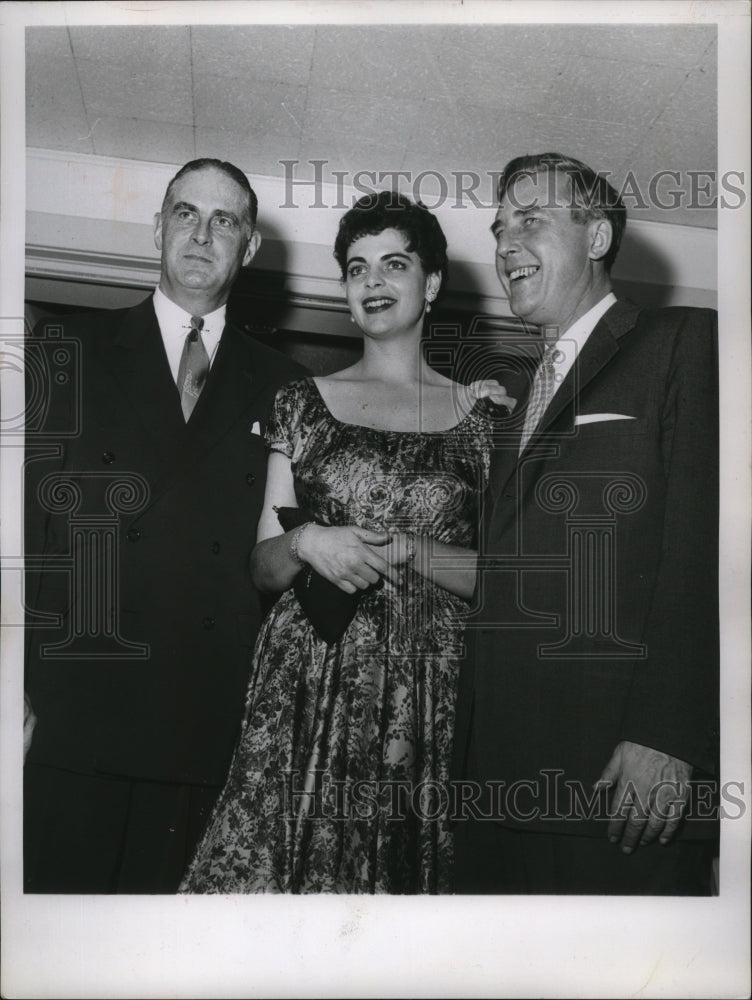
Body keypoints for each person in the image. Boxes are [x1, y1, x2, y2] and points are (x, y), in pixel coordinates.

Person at [180, 192, 515, 894]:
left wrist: (404, 547)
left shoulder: (487, 418)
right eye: (357, 267)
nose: (372, 282)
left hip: (433, 686)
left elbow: (505, 577)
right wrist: (307, 546)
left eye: (393, 264)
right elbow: (262, 566)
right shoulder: (300, 402)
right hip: (310, 678)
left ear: (430, 285)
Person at [23, 158, 307, 893]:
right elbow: (23, 528)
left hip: (203, 713)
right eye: (185, 213)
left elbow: (279, 557)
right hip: (77, 702)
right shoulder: (68, 352)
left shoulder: (286, 385)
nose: (202, 234)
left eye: (226, 221)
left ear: (250, 247)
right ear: (157, 228)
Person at [452, 152, 719, 894]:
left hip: (620, 782)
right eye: (500, 228)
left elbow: (706, 554)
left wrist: (668, 736)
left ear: (597, 238)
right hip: (494, 787)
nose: (505, 245)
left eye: (531, 222)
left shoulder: (685, 344)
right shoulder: (510, 398)